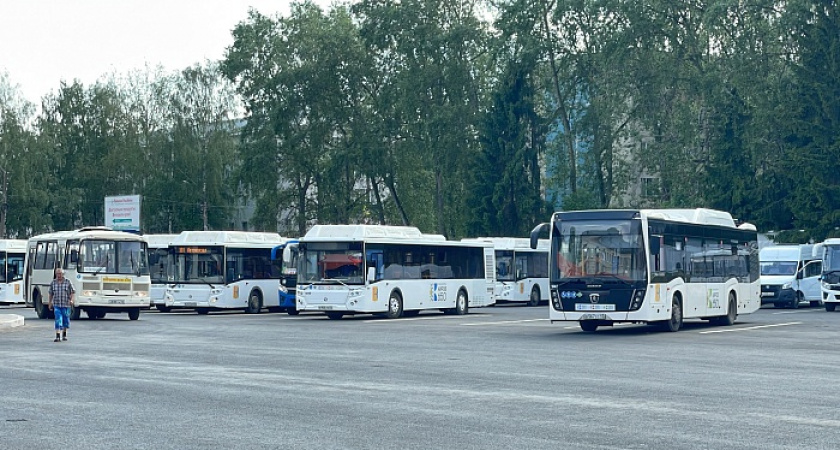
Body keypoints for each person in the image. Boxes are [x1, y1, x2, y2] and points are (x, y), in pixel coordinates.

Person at [48, 267, 75, 342]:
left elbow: (72, 292)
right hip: (57, 305)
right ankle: (57, 336)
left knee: (65, 320)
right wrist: (50, 303)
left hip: (66, 305)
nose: (59, 275)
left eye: (60, 274)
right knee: (58, 319)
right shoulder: (53, 283)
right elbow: (50, 293)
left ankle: (64, 334)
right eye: (57, 274)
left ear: (63, 274)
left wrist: (72, 300)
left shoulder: (67, 282)